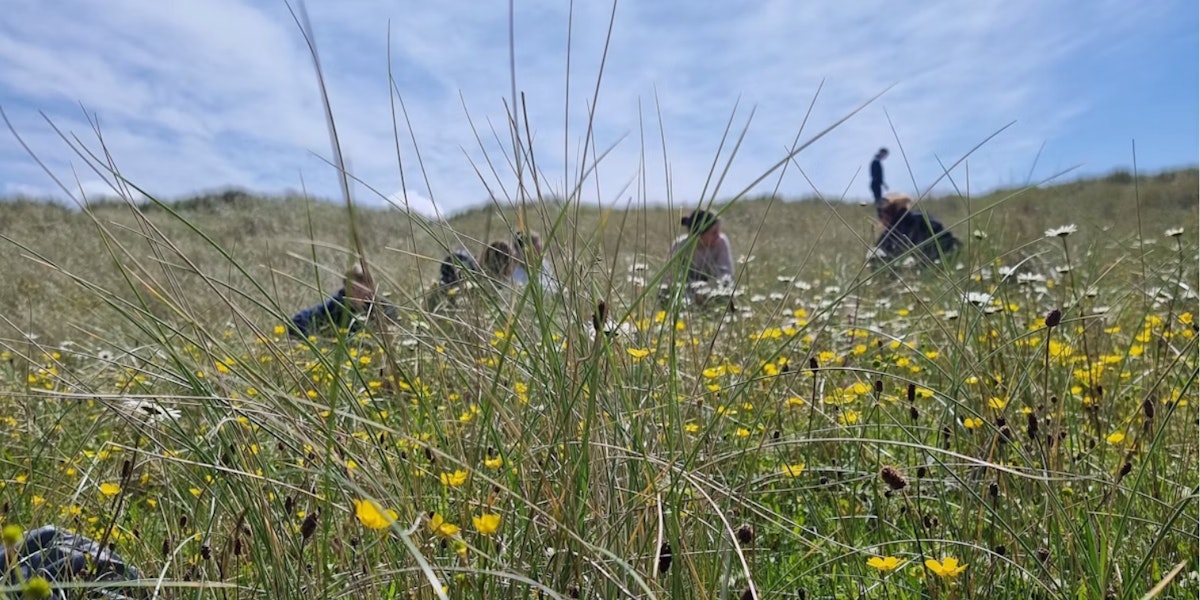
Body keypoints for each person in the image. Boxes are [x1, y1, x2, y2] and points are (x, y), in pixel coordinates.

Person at [289, 264, 397, 338]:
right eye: (353, 289)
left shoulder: (383, 307)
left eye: (362, 289)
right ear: (345, 287)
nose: (358, 293)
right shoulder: (335, 305)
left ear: (371, 287)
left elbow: (394, 329)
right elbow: (299, 319)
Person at [659, 209, 735, 308]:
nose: (718, 236)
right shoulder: (680, 246)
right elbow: (669, 278)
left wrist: (707, 289)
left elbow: (726, 274)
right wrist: (693, 291)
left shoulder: (721, 243)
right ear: (699, 234)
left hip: (714, 292)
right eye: (713, 232)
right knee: (664, 293)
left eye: (718, 231)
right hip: (684, 294)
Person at [872, 192, 959, 265]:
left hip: (932, 265)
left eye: (887, 211)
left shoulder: (916, 221)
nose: (883, 217)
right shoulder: (891, 232)